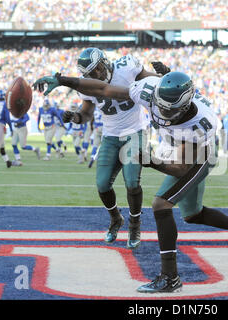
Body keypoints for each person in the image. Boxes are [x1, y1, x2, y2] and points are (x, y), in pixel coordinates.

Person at [33, 70, 228, 294]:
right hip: (176, 148)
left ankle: (170, 277)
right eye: (161, 106)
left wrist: (148, 160)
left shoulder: (201, 123)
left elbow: (181, 169)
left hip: (199, 155)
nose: (163, 113)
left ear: (185, 105)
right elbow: (105, 90)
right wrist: (64, 80)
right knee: (193, 214)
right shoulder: (149, 90)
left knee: (161, 205)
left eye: (171, 110)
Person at [55, 48, 159, 250]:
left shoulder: (127, 67)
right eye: (91, 75)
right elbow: (86, 115)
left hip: (135, 132)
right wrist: (75, 117)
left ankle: (135, 224)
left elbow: (152, 81)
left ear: (105, 61)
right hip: (111, 136)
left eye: (97, 70)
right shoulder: (87, 86)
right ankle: (115, 218)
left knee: (131, 182)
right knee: (102, 185)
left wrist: (164, 76)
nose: (96, 75)